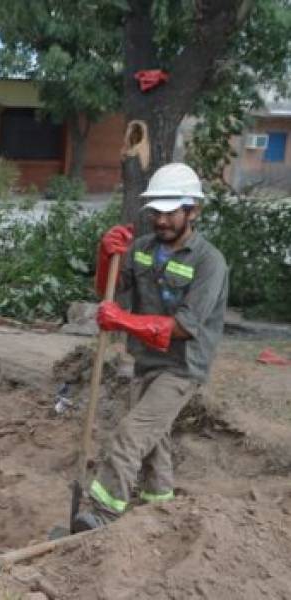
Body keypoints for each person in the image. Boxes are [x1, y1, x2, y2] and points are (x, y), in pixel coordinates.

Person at [73, 162, 229, 531]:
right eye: (156, 212)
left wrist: (121, 322)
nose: (161, 221)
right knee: (153, 441)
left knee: (131, 435)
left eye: (170, 213)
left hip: (181, 367)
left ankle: (102, 515)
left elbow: (184, 327)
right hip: (144, 361)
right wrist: (106, 256)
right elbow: (107, 291)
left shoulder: (209, 263)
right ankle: (160, 508)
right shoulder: (142, 249)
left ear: (193, 211)